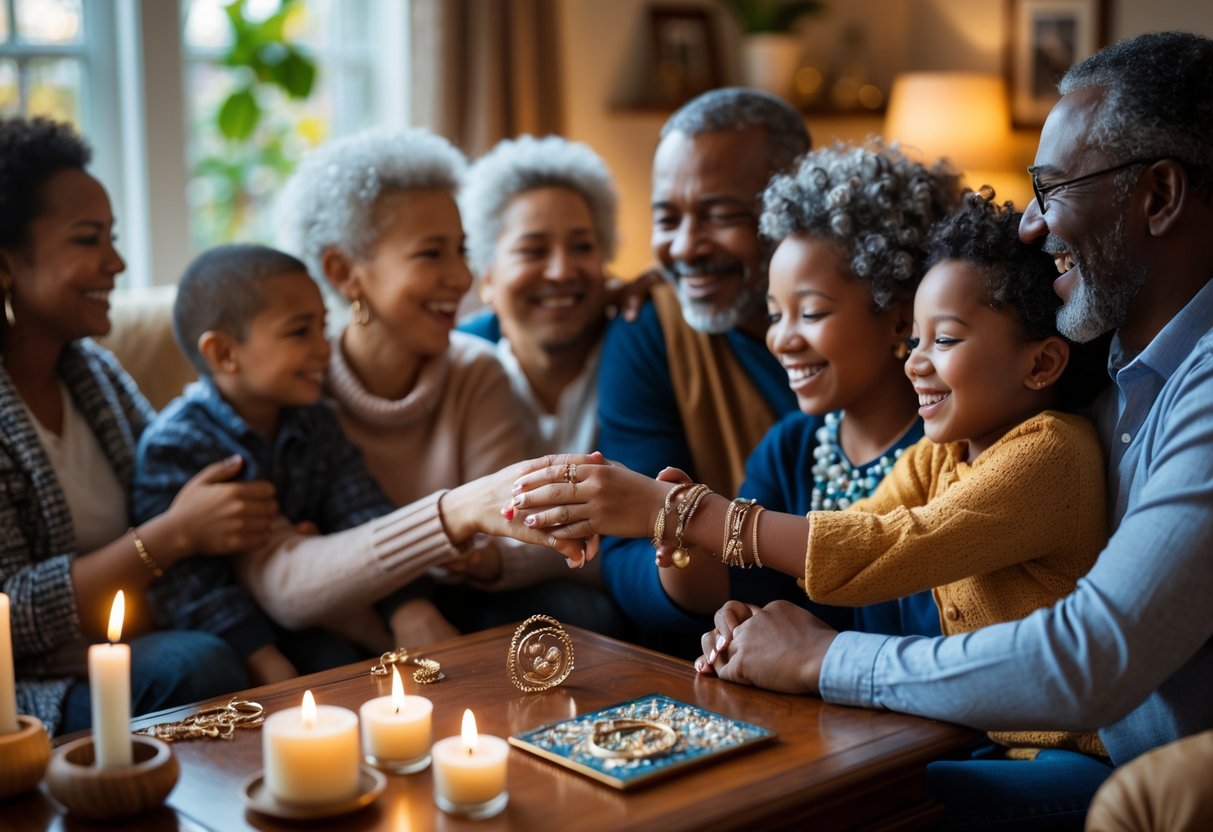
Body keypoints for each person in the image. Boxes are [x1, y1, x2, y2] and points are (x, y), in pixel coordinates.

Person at [685, 30, 1213, 828]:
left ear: (1159, 196)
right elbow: (866, 531)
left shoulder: (1154, 396)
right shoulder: (1101, 359)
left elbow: (1091, 659)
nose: (1032, 226)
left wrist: (821, 657)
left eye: (1052, 187)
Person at [510, 189, 1111, 761]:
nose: (916, 361)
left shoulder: (1050, 452)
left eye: (944, 339)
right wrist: (749, 610)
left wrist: (677, 511)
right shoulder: (940, 456)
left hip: (1056, 756)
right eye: (919, 340)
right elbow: (850, 534)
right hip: (969, 738)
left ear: (1041, 363)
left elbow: (887, 548)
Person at [257, 126, 621, 638]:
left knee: (574, 610)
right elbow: (287, 585)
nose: (461, 277)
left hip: (468, 607)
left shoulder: (475, 370)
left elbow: (524, 530)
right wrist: (452, 518)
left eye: (460, 250)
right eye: (431, 254)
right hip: (348, 627)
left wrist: (486, 559)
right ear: (343, 271)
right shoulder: (293, 389)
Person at [0, 117, 276, 735]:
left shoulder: (92, 372)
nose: (116, 262)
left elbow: (179, 477)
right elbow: (9, 613)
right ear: (8, 262)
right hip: (34, 685)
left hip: (144, 629)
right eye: (88, 240)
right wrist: (172, 535)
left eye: (113, 238)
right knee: (196, 666)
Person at [636, 140, 959, 637]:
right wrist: (683, 536)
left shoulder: (948, 452)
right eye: (773, 313)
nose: (781, 338)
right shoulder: (790, 448)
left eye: (810, 313)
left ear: (898, 317)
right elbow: (725, 590)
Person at [131, 244, 407, 685]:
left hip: (313, 604)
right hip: (233, 633)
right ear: (224, 354)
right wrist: (265, 661)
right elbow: (188, 587)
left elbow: (361, 508)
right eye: (300, 333)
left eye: (323, 327)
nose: (324, 348)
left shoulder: (316, 418)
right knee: (323, 664)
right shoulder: (178, 444)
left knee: (340, 657)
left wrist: (405, 605)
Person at [595, 87, 808, 636]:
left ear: (795, 208)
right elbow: (624, 550)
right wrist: (691, 560)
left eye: (718, 216)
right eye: (667, 218)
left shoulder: (894, 324)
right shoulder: (650, 328)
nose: (686, 247)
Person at [458, 135, 616, 456]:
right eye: (533, 250)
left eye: (582, 246)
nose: (561, 271)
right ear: (487, 277)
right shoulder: (454, 369)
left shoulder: (637, 353)